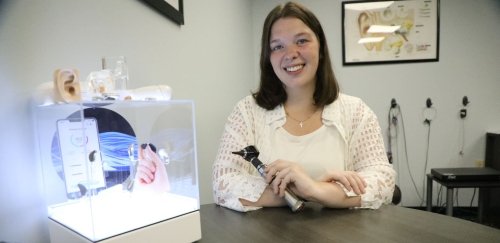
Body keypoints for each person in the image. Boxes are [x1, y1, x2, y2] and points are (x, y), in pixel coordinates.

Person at [212, 2, 396, 212]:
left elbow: (383, 182)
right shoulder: (246, 112)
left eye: (301, 41)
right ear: (268, 57)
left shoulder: (356, 112)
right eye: (278, 46)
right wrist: (304, 189)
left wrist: (314, 189)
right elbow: (222, 184)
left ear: (321, 48)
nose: (290, 53)